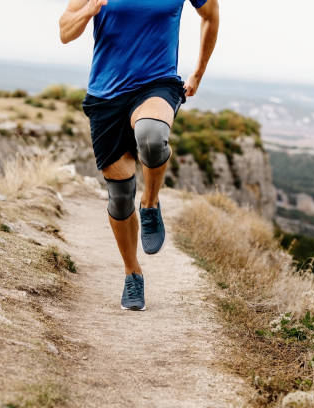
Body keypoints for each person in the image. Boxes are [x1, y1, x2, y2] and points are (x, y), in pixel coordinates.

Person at [59, 0, 219, 311]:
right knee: (120, 197)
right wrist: (89, 10)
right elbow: (65, 31)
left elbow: (210, 15)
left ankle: (150, 202)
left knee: (152, 137)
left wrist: (198, 72)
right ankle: (132, 272)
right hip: (106, 96)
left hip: (157, 84)